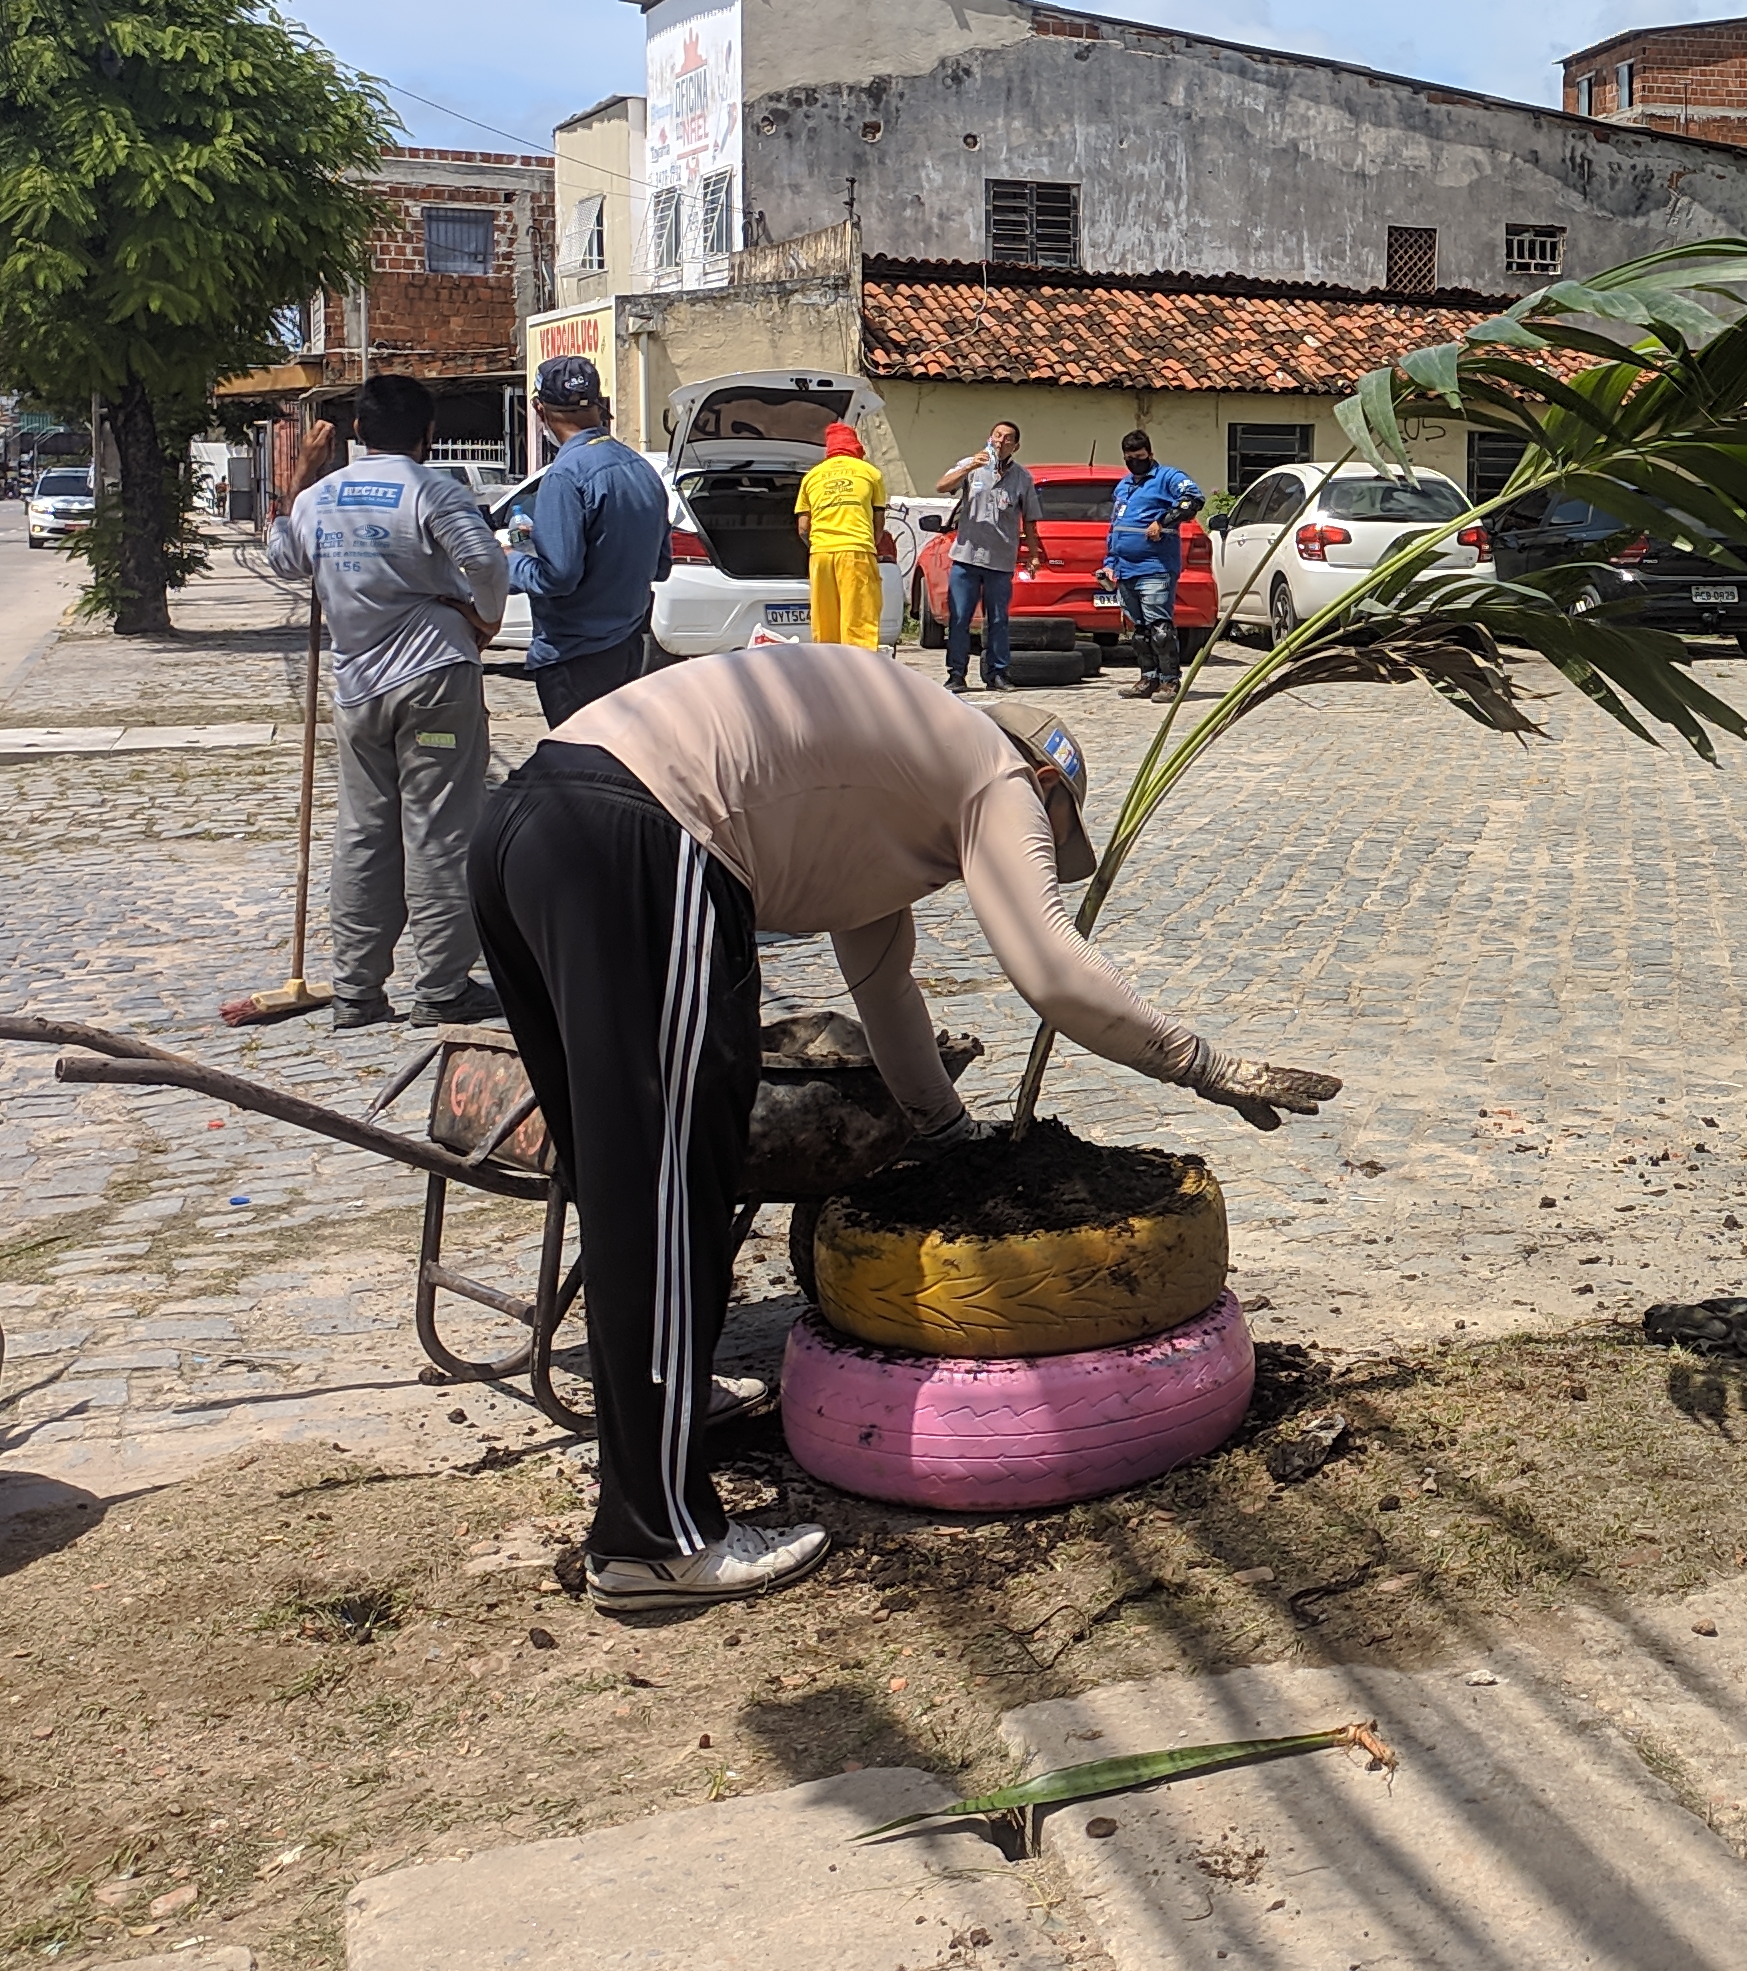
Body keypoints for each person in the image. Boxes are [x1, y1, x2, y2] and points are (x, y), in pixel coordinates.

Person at [471, 647, 1345, 1605]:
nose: (1040, 848)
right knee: (670, 1187)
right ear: (1049, 786)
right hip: (641, 834)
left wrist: (944, 1132)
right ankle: (654, 1539)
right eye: (1054, 833)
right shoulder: (1001, 770)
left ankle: (660, 1408)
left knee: (621, 1174)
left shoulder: (885, 784)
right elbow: (1051, 969)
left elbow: (884, 991)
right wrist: (1200, 1063)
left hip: (525, 823)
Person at [267, 372, 511, 1029]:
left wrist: (297, 478)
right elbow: (485, 562)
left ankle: (356, 990)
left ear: (357, 432)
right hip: (434, 682)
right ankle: (440, 989)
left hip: (358, 690)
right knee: (440, 828)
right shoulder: (433, 490)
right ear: (429, 435)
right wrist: (483, 620)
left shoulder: (319, 500)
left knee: (363, 833)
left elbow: (284, 558)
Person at [510, 354, 670, 727]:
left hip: (574, 657)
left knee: (577, 768)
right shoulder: (640, 468)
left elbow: (558, 576)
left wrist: (509, 561)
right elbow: (661, 565)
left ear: (539, 409)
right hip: (627, 647)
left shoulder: (565, 477)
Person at [933, 419, 1048, 692]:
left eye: (1007, 438)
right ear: (989, 438)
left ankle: (997, 673)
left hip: (1000, 560)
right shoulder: (971, 466)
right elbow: (941, 485)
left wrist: (1033, 555)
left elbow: (1030, 520)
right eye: (997, 435)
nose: (1000, 441)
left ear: (1015, 446)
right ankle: (957, 674)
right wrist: (970, 466)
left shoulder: (1022, 478)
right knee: (959, 618)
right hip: (967, 557)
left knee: (998, 619)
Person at [1105, 428, 1206, 697]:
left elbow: (1193, 500)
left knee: (1159, 627)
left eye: (1139, 456)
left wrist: (1163, 522)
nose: (1134, 461)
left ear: (1150, 454)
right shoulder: (1124, 485)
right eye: (1129, 457)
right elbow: (1116, 525)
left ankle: (1170, 680)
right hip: (1125, 567)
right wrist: (1109, 562)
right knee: (1138, 631)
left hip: (1155, 566)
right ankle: (1147, 678)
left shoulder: (1168, 478)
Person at [794, 423, 890, 651]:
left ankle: (829, 669)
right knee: (859, 617)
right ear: (855, 445)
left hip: (821, 555)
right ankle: (860, 671)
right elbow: (879, 519)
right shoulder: (870, 472)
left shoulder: (812, 476)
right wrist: (871, 544)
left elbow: (803, 526)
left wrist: (818, 545)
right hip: (856, 550)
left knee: (825, 619)